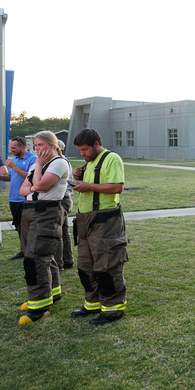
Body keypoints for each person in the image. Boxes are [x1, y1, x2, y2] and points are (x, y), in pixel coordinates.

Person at [71, 128, 128, 325]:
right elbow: (88, 188)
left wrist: (87, 186)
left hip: (105, 220)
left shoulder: (112, 158)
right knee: (85, 266)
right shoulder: (89, 163)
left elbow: (117, 187)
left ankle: (113, 310)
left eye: (85, 149)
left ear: (96, 144)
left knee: (106, 266)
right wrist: (78, 179)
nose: (82, 153)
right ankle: (92, 304)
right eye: (80, 150)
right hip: (85, 221)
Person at [16, 131, 71, 325]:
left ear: (53, 145)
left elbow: (38, 185)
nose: (38, 149)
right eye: (36, 145)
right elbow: (24, 190)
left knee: (35, 258)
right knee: (41, 256)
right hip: (30, 210)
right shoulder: (38, 164)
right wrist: (34, 186)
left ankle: (39, 306)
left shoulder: (58, 163)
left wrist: (37, 170)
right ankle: (52, 294)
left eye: (41, 145)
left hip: (46, 212)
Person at [3, 137, 36, 261]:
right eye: (11, 147)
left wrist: (14, 166)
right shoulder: (15, 159)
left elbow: (30, 177)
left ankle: (28, 252)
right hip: (13, 199)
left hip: (25, 199)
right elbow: (11, 176)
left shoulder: (33, 159)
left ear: (23, 147)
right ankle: (23, 250)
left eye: (14, 148)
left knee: (26, 227)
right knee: (18, 227)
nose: (11, 150)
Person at [57, 139, 75, 270]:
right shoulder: (64, 161)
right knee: (64, 231)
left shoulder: (60, 163)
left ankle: (60, 262)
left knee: (59, 232)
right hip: (66, 199)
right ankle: (68, 260)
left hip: (62, 199)